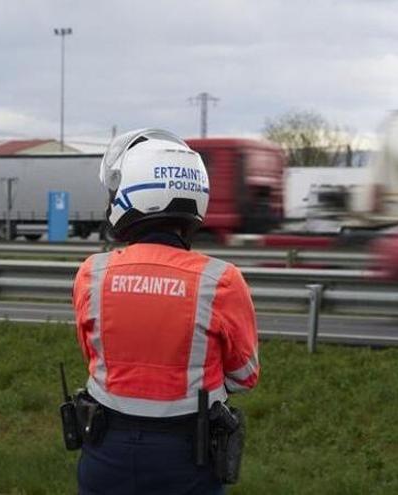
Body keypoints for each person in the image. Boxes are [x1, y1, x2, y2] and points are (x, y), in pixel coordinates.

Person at [72, 129, 260, 494]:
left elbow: (94, 357)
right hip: (188, 457)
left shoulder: (92, 273)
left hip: (105, 449)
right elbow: (244, 376)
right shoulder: (221, 280)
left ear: (131, 194)